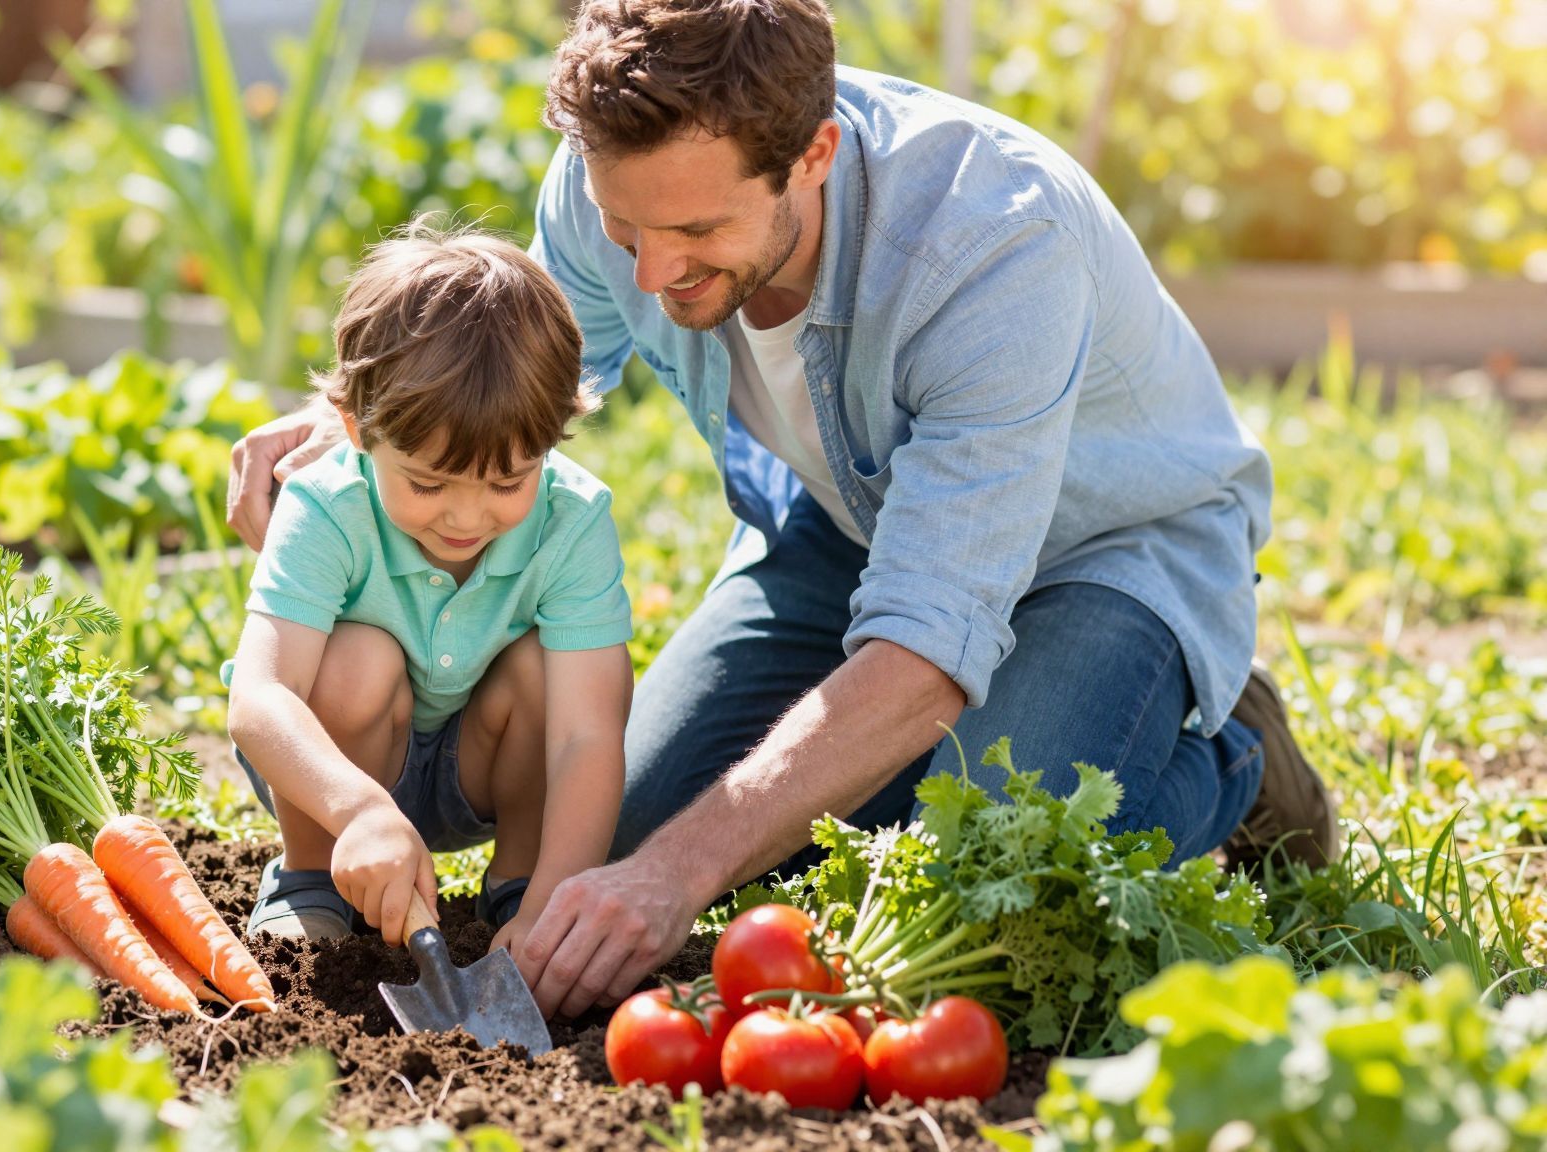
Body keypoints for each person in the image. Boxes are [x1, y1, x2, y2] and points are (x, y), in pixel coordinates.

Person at [228, 0, 1336, 1019]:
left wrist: (680, 874)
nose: (653, 272)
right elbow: (509, 372)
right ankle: (882, 772)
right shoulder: (606, 183)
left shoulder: (992, 238)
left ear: (813, 153)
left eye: (697, 236)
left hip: (1104, 558)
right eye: (625, 235)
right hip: (843, 527)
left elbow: (926, 640)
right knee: (619, 833)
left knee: (985, 888)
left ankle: (1224, 748)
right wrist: (353, 424)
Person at [223, 221, 635, 956]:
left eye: (509, 481)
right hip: (329, 776)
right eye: (426, 483)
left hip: (478, 768)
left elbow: (584, 735)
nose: (467, 516)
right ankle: (309, 877)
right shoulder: (326, 505)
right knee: (358, 660)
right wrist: (355, 808)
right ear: (354, 427)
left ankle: (518, 889)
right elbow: (260, 699)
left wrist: (557, 900)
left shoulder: (572, 519)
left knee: (549, 670)